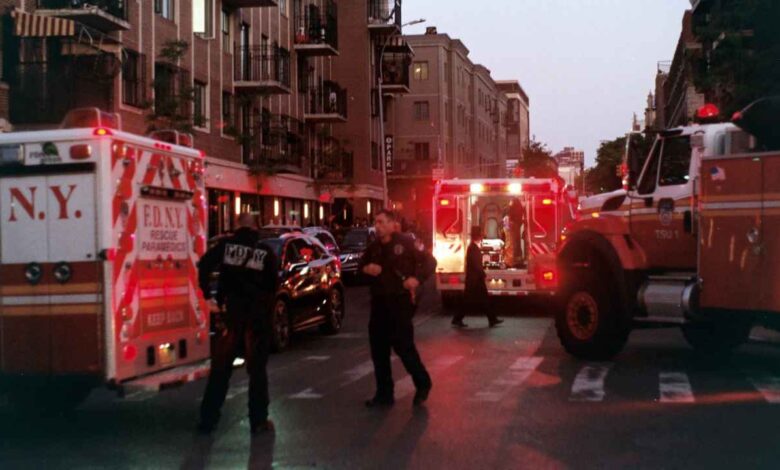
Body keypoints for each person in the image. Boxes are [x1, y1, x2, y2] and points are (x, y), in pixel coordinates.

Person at [196, 213, 279, 435]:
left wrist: (208, 296)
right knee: (257, 370)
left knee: (221, 370)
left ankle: (208, 420)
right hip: (257, 317)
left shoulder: (226, 247)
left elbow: (203, 265)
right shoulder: (265, 252)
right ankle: (258, 421)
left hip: (230, 314)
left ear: (236, 226)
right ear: (256, 228)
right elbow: (273, 286)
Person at [360, 210, 435, 408]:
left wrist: (416, 279)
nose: (378, 226)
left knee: (403, 347)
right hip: (379, 304)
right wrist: (367, 269)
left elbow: (430, 262)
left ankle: (422, 383)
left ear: (393, 224)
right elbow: (361, 268)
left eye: (382, 222)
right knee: (379, 350)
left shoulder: (407, 243)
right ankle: (384, 394)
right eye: (376, 222)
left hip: (400, 303)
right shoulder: (374, 248)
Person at [452, 226, 503, 328]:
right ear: (478, 236)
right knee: (469, 301)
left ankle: (492, 319)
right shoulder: (473, 248)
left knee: (483, 299)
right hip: (474, 280)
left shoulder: (473, 247)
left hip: (475, 279)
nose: (481, 237)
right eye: (480, 235)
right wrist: (483, 273)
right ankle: (457, 319)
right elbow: (476, 264)